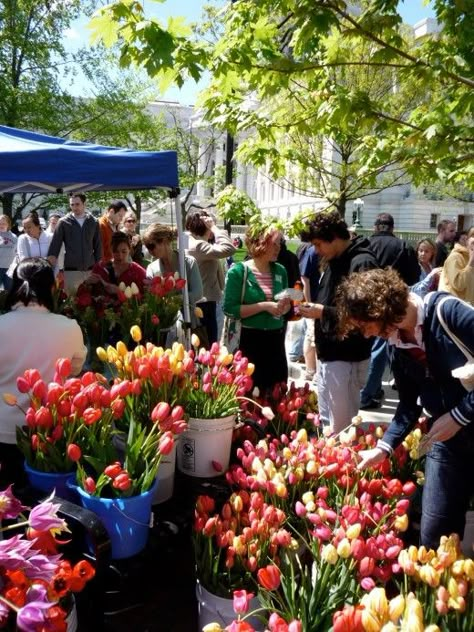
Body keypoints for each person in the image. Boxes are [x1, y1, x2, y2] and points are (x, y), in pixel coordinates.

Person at [335, 267, 474, 549]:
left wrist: (459, 416)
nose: (365, 335)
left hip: (461, 425)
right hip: (446, 442)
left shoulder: (447, 312)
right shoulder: (396, 347)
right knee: (435, 534)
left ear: (380, 309)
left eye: (365, 325)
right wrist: (383, 448)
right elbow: (408, 406)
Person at [0, 257, 86, 488]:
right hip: (50, 437)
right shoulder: (69, 328)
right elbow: (75, 369)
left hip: (3, 433)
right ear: (52, 288)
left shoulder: (1, 325)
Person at [298, 210, 378, 433]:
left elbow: (364, 314)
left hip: (346, 355)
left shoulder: (361, 262)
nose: (316, 250)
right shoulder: (335, 258)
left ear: (333, 236)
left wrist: (323, 312)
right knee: (328, 425)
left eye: (318, 243)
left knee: (340, 429)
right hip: (330, 354)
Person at [360, 213, 419, 410]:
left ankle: (370, 390)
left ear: (376, 226)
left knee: (370, 347)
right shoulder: (402, 246)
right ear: (392, 227)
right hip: (392, 304)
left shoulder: (366, 244)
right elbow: (414, 276)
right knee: (380, 349)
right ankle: (368, 392)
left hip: (365, 301)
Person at [223, 226, 290, 395]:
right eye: (274, 244)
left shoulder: (280, 270)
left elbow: (286, 303)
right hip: (249, 341)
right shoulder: (238, 271)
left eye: (279, 243)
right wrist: (265, 306)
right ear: (260, 243)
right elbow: (230, 309)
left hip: (275, 341)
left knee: (275, 393)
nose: (279, 248)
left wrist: (285, 306)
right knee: (249, 393)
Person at [143, 223, 203, 339]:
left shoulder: (188, 263)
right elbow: (152, 299)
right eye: (147, 247)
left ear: (165, 240)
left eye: (151, 246)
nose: (150, 251)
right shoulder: (151, 268)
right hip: (163, 327)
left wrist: (172, 300)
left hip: (188, 323)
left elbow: (198, 292)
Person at [185, 209, 236, 345]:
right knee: (208, 344)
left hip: (201, 301)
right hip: (204, 303)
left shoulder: (189, 241)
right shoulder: (198, 245)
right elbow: (229, 249)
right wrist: (214, 227)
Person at [47, 193, 102, 292]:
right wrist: (50, 265)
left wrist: (99, 269)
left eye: (77, 204)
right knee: (71, 303)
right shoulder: (63, 222)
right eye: (72, 205)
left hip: (90, 270)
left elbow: (98, 246)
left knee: (91, 302)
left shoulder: (94, 221)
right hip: (71, 271)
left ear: (84, 204)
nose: (74, 207)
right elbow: (55, 246)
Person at [83, 232, 147, 297]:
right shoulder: (100, 268)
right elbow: (83, 297)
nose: (120, 256)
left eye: (124, 251)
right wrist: (86, 284)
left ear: (129, 249)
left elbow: (145, 298)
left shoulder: (138, 272)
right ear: (110, 249)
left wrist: (119, 291)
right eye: (115, 251)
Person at [438, 226, 474, 303]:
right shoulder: (455, 257)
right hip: (456, 310)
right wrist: (471, 263)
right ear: (467, 240)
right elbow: (458, 284)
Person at [0, 215, 17, 291]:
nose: (1, 225)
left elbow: (17, 252)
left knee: (9, 291)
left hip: (10, 269)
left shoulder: (14, 236)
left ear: (8, 224)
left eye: (4, 223)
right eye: (0, 223)